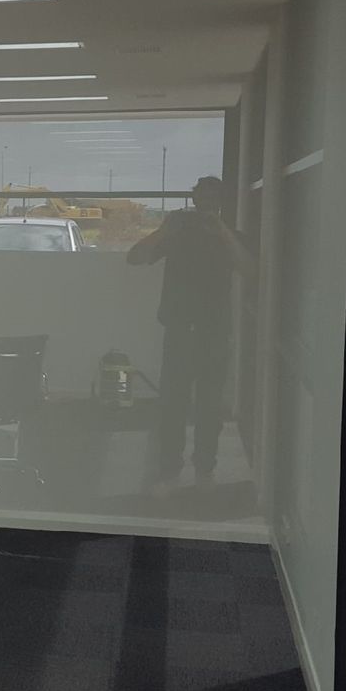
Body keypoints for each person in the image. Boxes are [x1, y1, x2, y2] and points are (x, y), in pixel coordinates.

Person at [127, 177, 249, 484]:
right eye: (200, 197)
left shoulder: (229, 235)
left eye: (211, 199)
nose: (204, 204)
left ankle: (205, 465)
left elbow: (250, 268)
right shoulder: (176, 235)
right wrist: (165, 230)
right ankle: (170, 464)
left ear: (220, 202)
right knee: (173, 402)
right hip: (180, 329)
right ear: (193, 198)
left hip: (214, 332)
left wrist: (219, 228)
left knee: (210, 405)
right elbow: (135, 257)